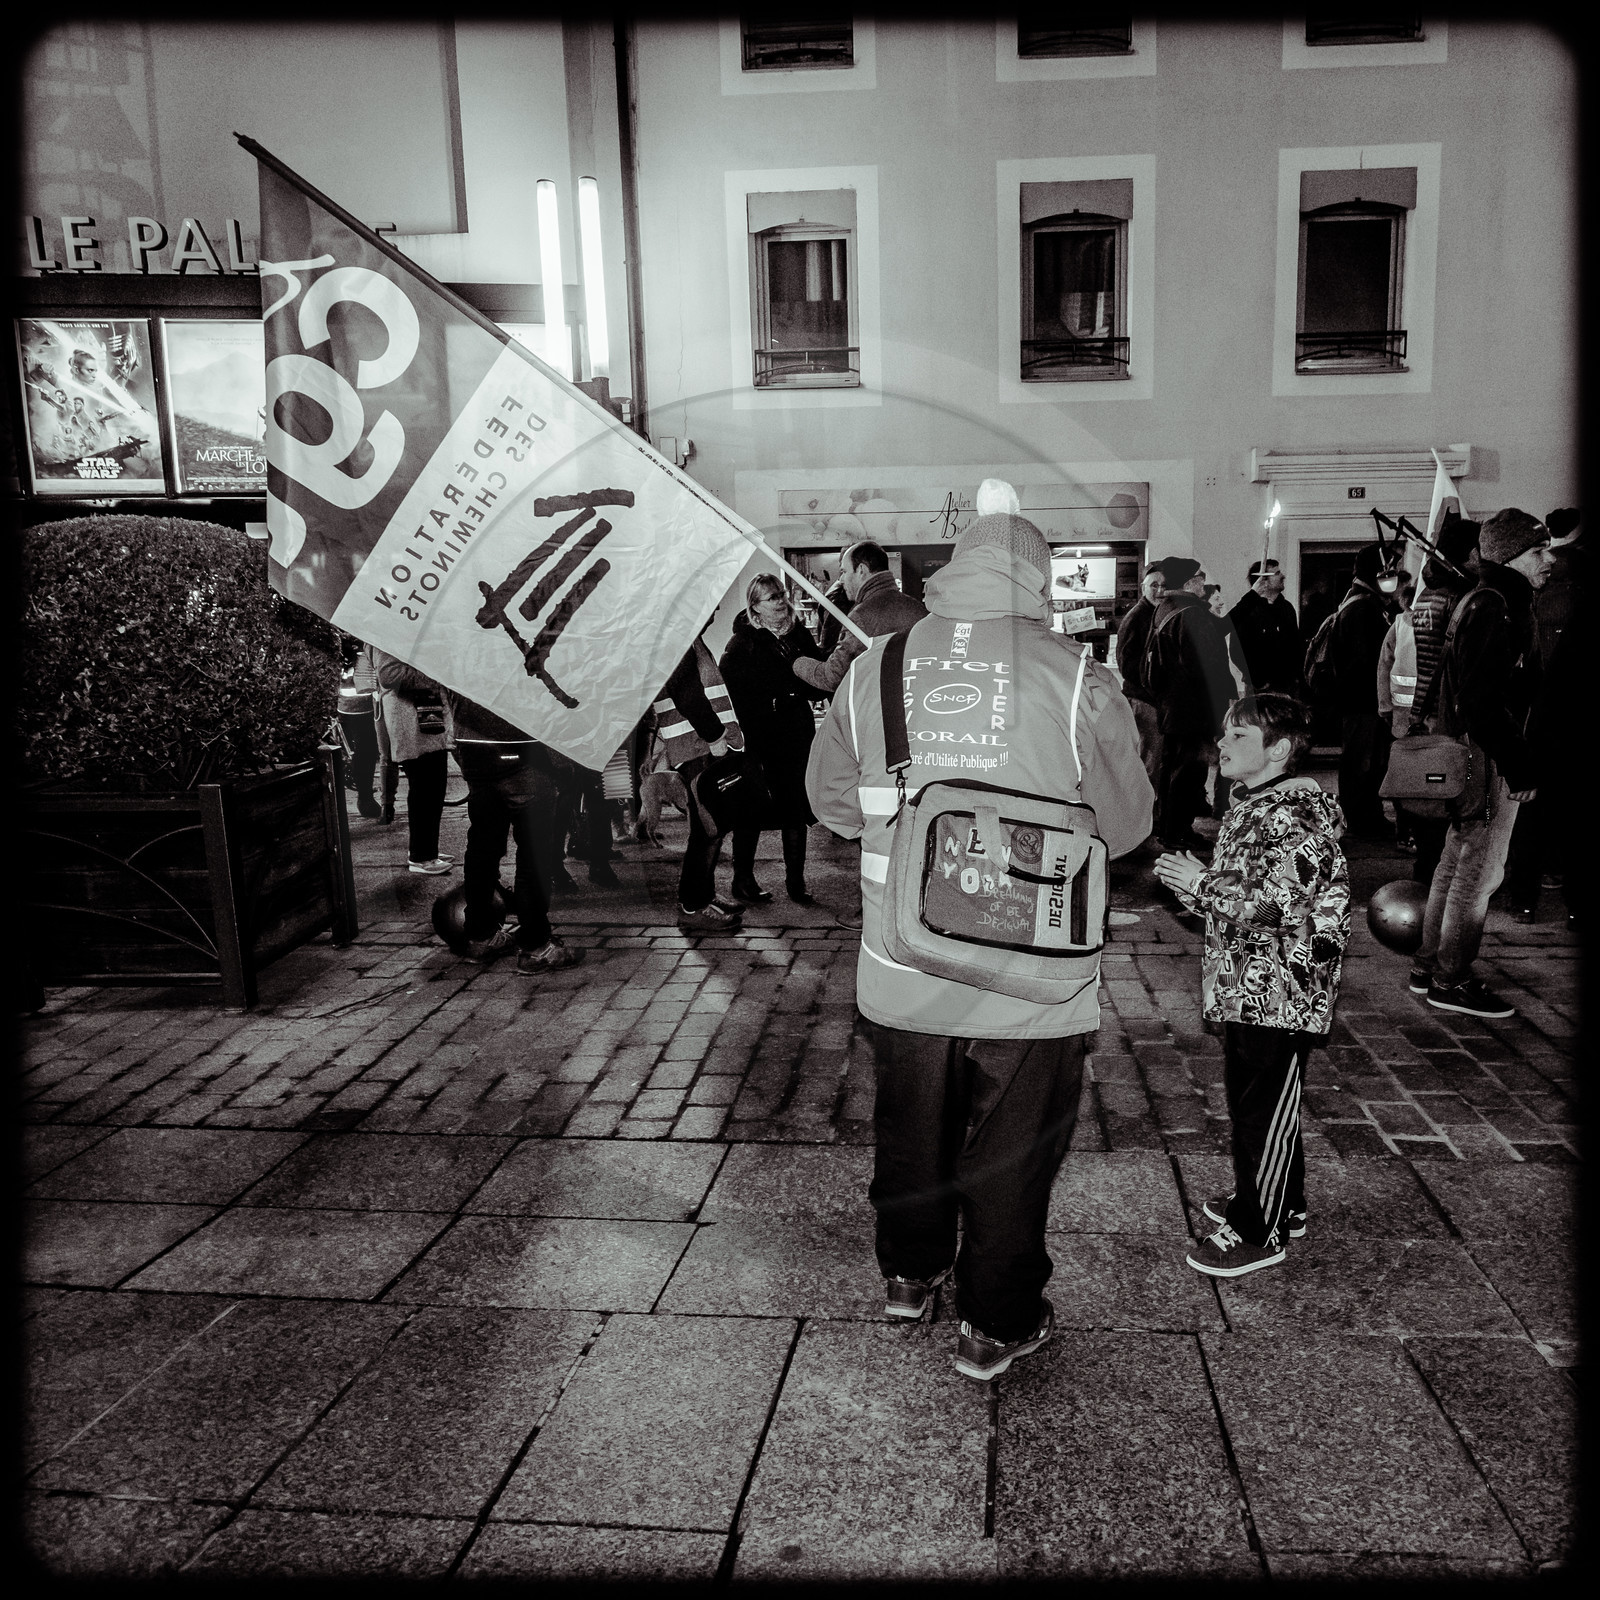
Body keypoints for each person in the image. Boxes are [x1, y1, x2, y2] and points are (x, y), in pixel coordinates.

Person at [806, 496, 1153, 1382]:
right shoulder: (1077, 676)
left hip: (902, 960)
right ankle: (995, 1323)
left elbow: (833, 803)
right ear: (1039, 581)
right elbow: (1125, 825)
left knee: (910, 1128)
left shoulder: (873, 668)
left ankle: (909, 1274)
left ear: (951, 570)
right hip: (1028, 973)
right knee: (1012, 1147)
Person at [1155, 694, 1349, 1277]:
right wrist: (1198, 892)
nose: (1222, 744)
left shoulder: (1295, 814)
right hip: (1248, 985)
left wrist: (1206, 886)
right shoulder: (1255, 804)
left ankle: (1258, 1229)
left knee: (1264, 1109)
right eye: (1225, 734)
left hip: (1283, 989)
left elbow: (1280, 907)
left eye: (1239, 736)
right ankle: (1279, 1205)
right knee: (1256, 1104)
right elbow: (1245, 900)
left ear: (1280, 751)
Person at [1410, 508, 1552, 1018]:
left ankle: (1430, 966)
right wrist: (1520, 765)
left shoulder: (1482, 597)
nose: (1548, 560)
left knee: (1456, 860)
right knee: (1480, 871)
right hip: (1487, 758)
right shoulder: (1500, 604)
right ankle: (1451, 978)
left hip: (1472, 752)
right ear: (1512, 556)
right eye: (1538, 551)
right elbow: (1482, 699)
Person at [443, 689, 585, 973]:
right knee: (535, 852)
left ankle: (480, 936)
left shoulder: (460, 647)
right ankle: (536, 946)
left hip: (473, 748)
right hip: (520, 750)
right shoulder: (513, 644)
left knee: (483, 847)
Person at [1376, 519, 1479, 888]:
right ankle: (1439, 878)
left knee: (1429, 799)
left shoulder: (1425, 599)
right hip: (1443, 718)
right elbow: (1448, 666)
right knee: (1452, 802)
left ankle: (1428, 867)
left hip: (1417, 717)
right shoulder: (1457, 599)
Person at [720, 574, 828, 905]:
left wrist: (798, 689)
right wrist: (768, 701)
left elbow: (819, 677)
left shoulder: (798, 634)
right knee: (751, 807)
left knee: (795, 807)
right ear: (755, 606)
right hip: (761, 736)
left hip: (796, 732)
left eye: (781, 594)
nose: (780, 601)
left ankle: (796, 881)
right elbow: (732, 690)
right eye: (771, 597)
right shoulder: (743, 642)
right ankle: (743, 880)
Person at [1505, 507, 1583, 919]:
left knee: (1530, 814)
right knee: (1569, 814)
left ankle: (1523, 896)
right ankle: (1574, 903)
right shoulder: (1568, 601)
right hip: (1563, 719)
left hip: (1533, 720)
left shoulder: (1529, 601)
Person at [654, 630, 748, 932]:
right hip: (695, 745)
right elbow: (688, 695)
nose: (716, 604)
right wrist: (715, 735)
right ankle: (692, 905)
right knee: (707, 828)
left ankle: (703, 896)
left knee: (711, 825)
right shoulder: (674, 634)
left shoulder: (688, 635)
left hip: (698, 744)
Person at [1145, 555, 1238, 853]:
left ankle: (1170, 829)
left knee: (1173, 769)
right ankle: (1179, 832)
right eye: (1201, 576)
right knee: (1189, 772)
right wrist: (1221, 705)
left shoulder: (1166, 608)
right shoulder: (1191, 613)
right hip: (1193, 708)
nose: (1204, 582)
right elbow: (1207, 664)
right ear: (1189, 582)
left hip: (1173, 705)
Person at [1329, 543, 1403, 840]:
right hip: (1362, 700)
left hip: (1361, 700)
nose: (1395, 575)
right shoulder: (1363, 608)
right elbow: (1369, 659)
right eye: (1392, 569)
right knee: (1362, 762)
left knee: (1366, 761)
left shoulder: (1365, 604)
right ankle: (1361, 821)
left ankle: (1365, 816)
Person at [792, 540, 927, 696]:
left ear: (861, 570)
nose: (841, 579)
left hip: (877, 708)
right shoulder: (917, 609)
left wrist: (796, 661)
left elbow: (833, 677)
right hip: (914, 702)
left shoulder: (861, 616)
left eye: (843, 572)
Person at [373, 649, 454, 875]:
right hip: (411, 722)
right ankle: (422, 856)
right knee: (425, 788)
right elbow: (389, 675)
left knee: (432, 788)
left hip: (423, 721)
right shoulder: (388, 633)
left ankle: (426, 850)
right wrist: (435, 673)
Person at [1115, 563, 1166, 803]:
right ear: (1143, 587)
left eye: (1163, 585)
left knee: (1151, 762)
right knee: (1147, 763)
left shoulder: (1155, 614)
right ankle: (1142, 817)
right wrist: (1152, 682)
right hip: (1143, 701)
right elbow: (1127, 664)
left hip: (1150, 700)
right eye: (1153, 585)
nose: (1159, 590)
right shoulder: (1138, 617)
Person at [1229, 558, 1302, 697]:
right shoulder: (1248, 611)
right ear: (1264, 581)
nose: (1282, 576)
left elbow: (1295, 645)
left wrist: (1296, 677)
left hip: (1287, 687)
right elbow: (1236, 650)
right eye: (1277, 573)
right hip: (1260, 689)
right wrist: (1258, 681)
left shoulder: (1287, 608)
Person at [337, 636, 382, 819]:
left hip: (348, 703)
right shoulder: (360, 640)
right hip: (362, 704)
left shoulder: (344, 640)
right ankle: (365, 798)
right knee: (366, 752)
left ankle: (365, 797)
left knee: (362, 752)